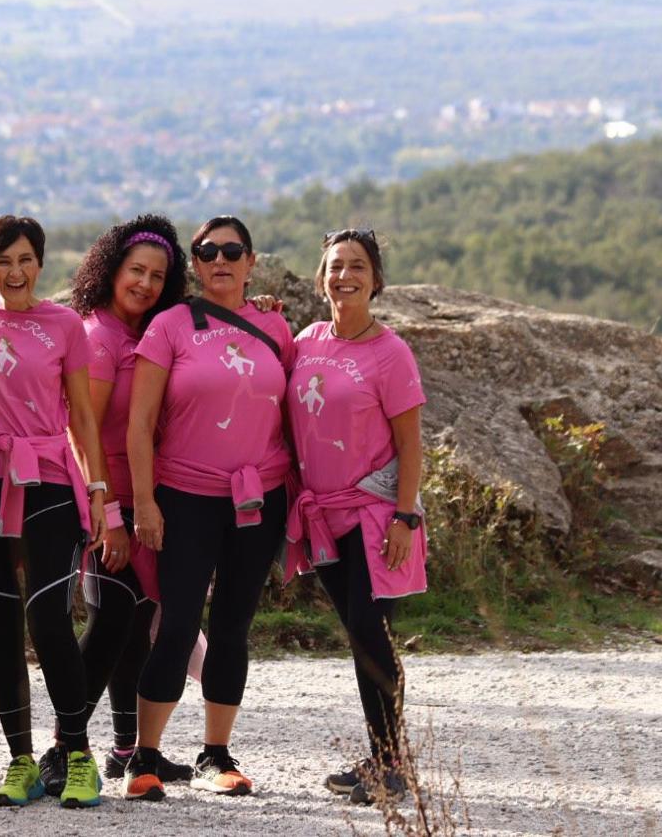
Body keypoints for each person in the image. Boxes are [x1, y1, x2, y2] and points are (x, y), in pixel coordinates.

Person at [0, 214, 110, 809]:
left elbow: (82, 415)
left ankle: (78, 756)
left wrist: (97, 490)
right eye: (2, 261)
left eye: (25, 260)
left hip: (48, 478)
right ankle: (20, 762)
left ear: (40, 263)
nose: (15, 272)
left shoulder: (65, 324)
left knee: (47, 616)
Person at [125, 215, 295, 800]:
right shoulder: (169, 325)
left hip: (259, 497)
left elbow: (294, 411)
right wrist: (144, 501)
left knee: (231, 628)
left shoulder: (277, 326)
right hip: (184, 495)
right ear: (195, 263)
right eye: (207, 251)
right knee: (176, 625)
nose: (220, 259)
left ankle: (216, 754)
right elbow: (140, 423)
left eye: (232, 250)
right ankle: (145, 757)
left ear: (251, 261)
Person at [286, 228, 427, 808]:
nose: (345, 275)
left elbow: (411, 445)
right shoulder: (306, 340)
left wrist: (405, 518)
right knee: (360, 636)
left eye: (357, 266)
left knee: (372, 635)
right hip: (322, 518)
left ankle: (392, 764)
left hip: (376, 516)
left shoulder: (391, 353)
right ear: (321, 279)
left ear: (376, 280)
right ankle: (382, 758)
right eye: (335, 266)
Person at [57, 214, 195, 791]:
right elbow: (81, 429)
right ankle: (64, 749)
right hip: (104, 499)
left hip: (144, 497)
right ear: (112, 270)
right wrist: (109, 514)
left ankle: (126, 748)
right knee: (110, 622)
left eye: (158, 276)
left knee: (135, 625)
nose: (145, 283)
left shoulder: (151, 332)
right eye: (136, 270)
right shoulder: (99, 335)